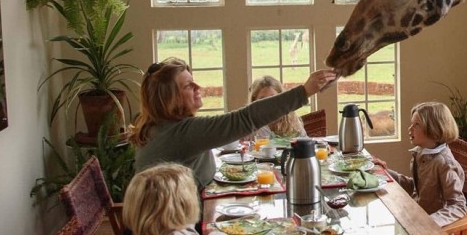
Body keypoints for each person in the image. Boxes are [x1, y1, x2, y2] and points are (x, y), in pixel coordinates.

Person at [128, 57, 336, 189]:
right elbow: (244, 119)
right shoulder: (183, 133)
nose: (198, 86)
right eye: (188, 86)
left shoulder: (160, 126)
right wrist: (305, 91)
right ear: (170, 97)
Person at [373, 102, 467, 226]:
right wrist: (385, 172)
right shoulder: (421, 154)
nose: (410, 128)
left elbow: (458, 206)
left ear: (434, 128)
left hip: (437, 230)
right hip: (417, 218)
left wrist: (429, 222)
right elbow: (417, 188)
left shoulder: (445, 164)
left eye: (416, 125)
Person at [249, 75, 307, 139]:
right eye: (262, 99)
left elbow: (305, 141)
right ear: (254, 101)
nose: (268, 104)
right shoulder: (249, 123)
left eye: (273, 98)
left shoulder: (292, 119)